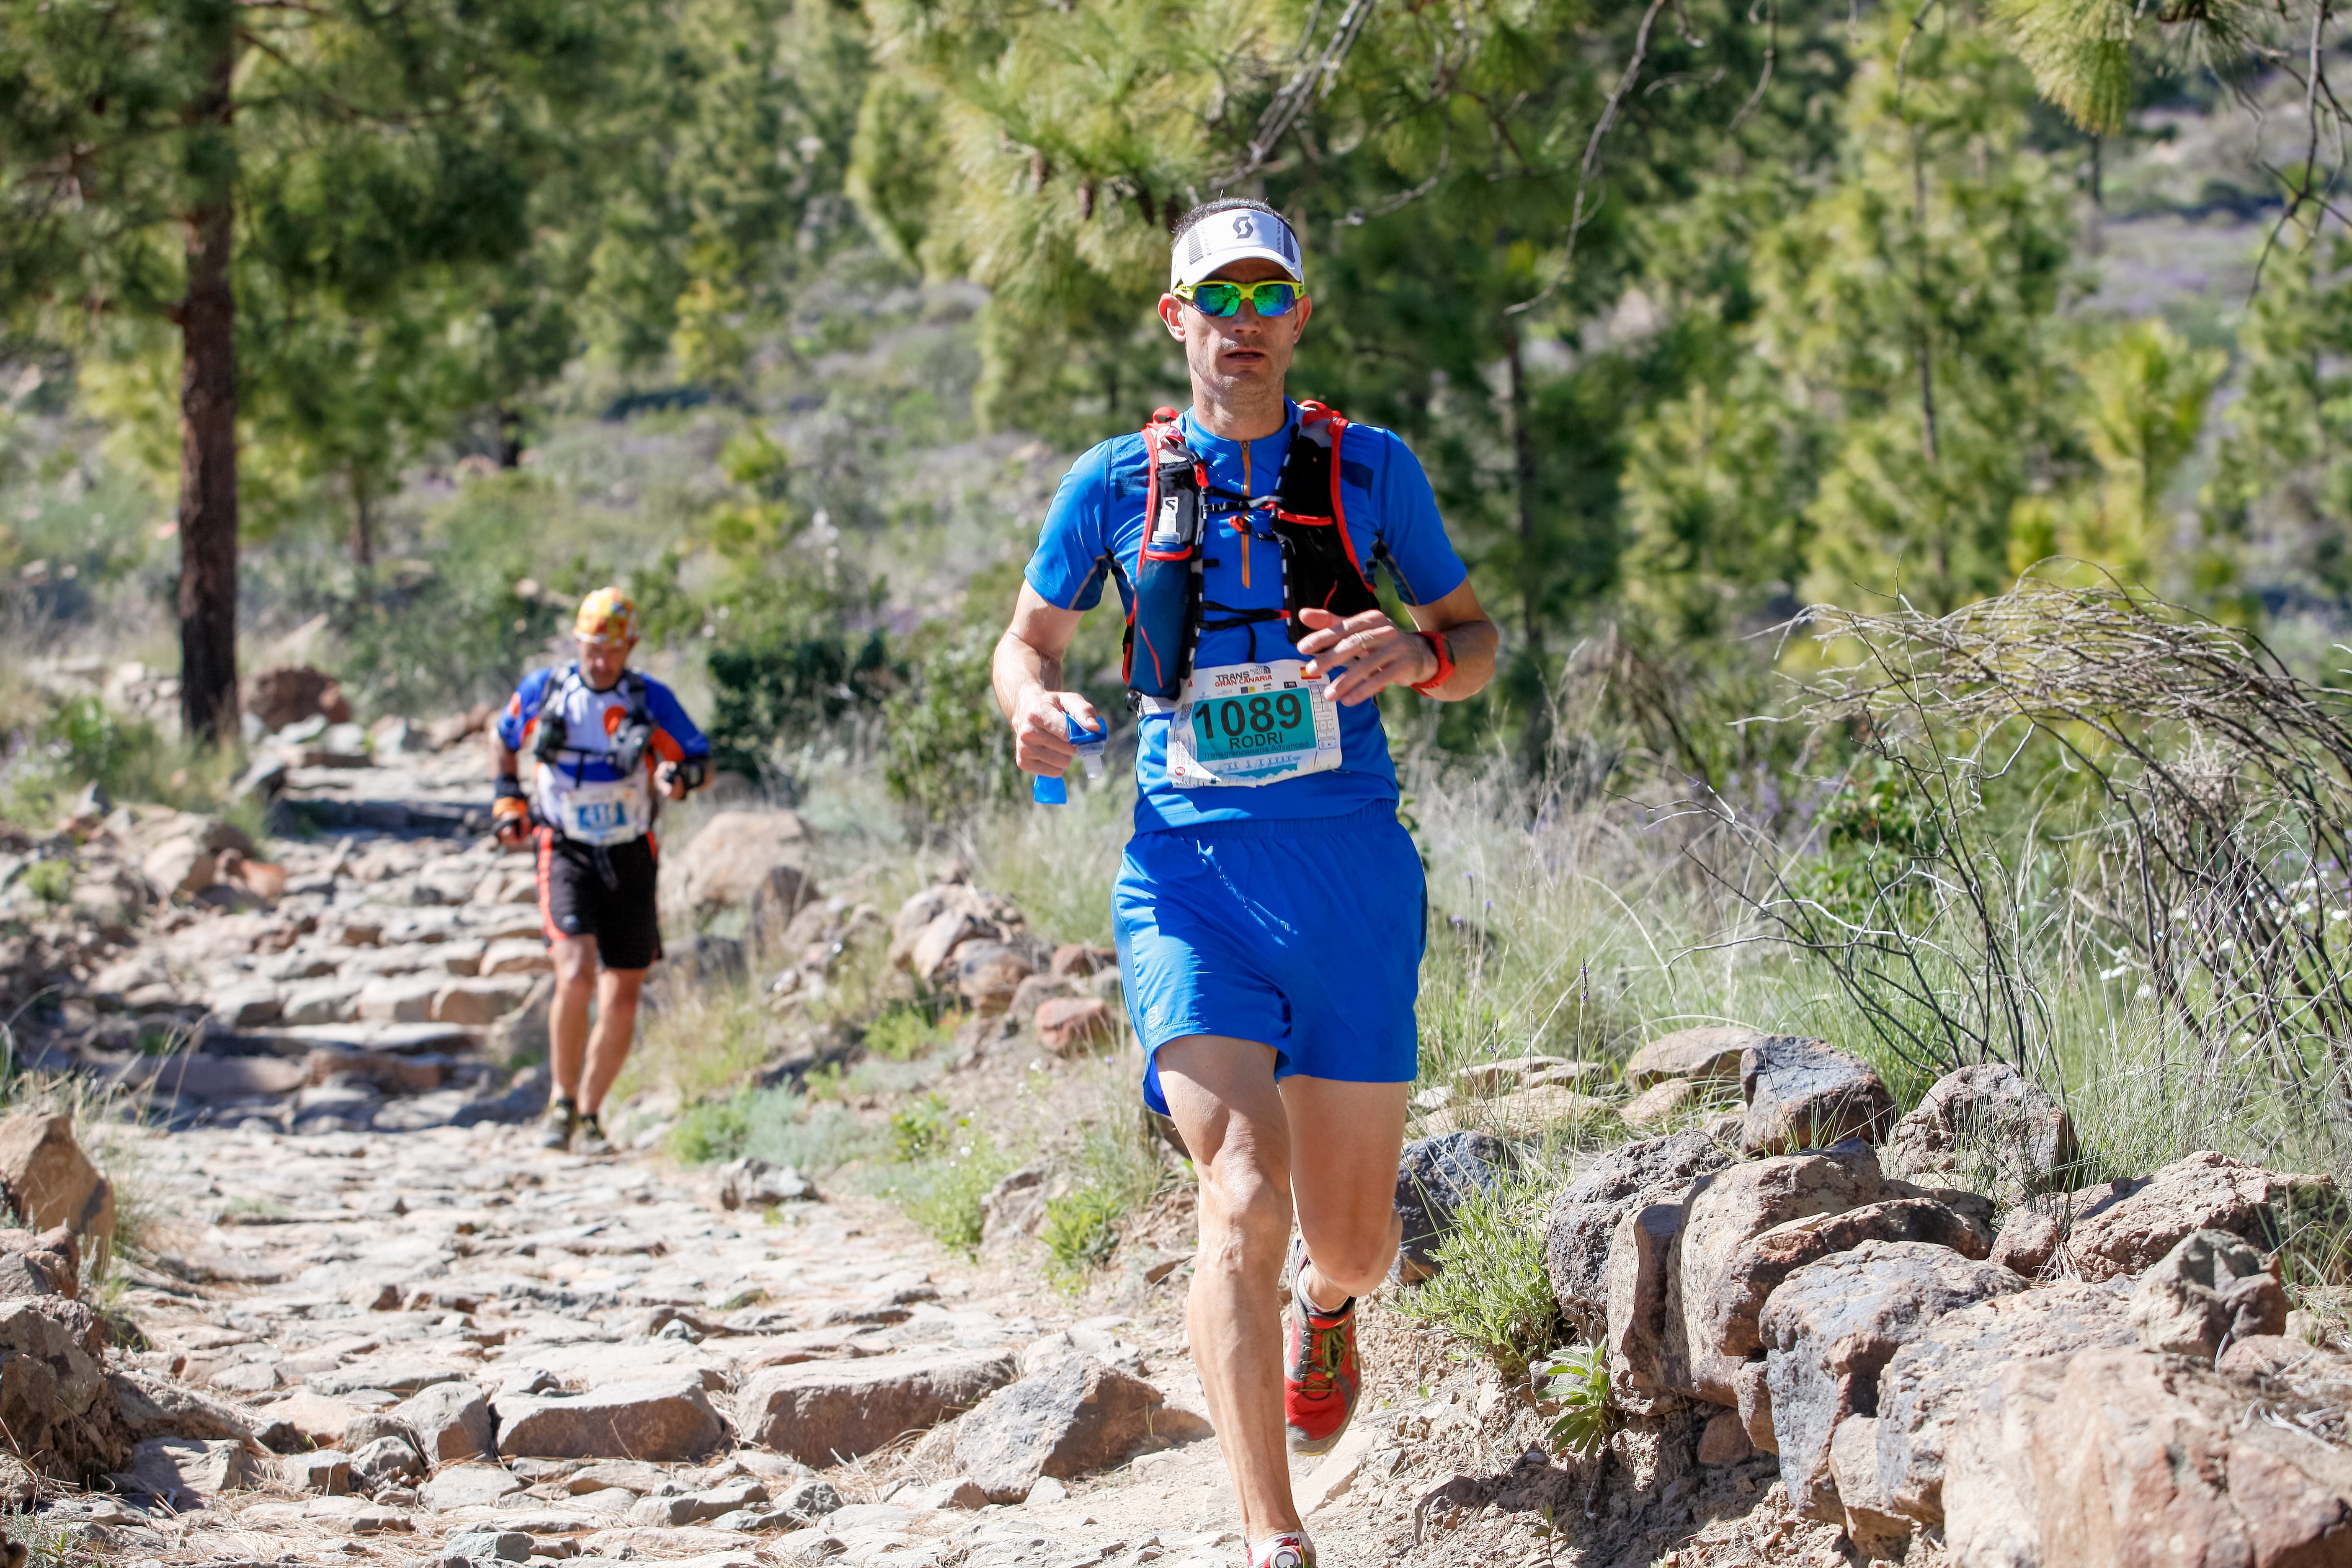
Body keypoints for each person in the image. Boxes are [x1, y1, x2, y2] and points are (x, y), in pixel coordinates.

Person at [991, 199, 1498, 1568]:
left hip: (1348, 882)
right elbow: (1026, 642)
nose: (1243, 322)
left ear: (1299, 318)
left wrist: (1419, 656)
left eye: (1267, 296)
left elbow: (1473, 639)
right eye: (1217, 298)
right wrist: (1030, 705)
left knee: (1355, 1246)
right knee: (1239, 1191)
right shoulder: (1115, 482)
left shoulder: (1371, 469)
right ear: (1178, 320)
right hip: (1187, 881)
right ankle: (1273, 1532)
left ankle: (1328, 1312)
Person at [491, 588, 713, 1155]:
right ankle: (561, 1102)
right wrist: (508, 800)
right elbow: (503, 738)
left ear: (630, 647)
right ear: (577, 643)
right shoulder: (545, 691)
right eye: (592, 648)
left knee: (625, 990)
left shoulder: (650, 699)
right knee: (574, 972)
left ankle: (590, 1116)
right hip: (565, 846)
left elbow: (698, 760)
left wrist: (679, 779)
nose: (601, 660)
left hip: (631, 853)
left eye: (612, 650)